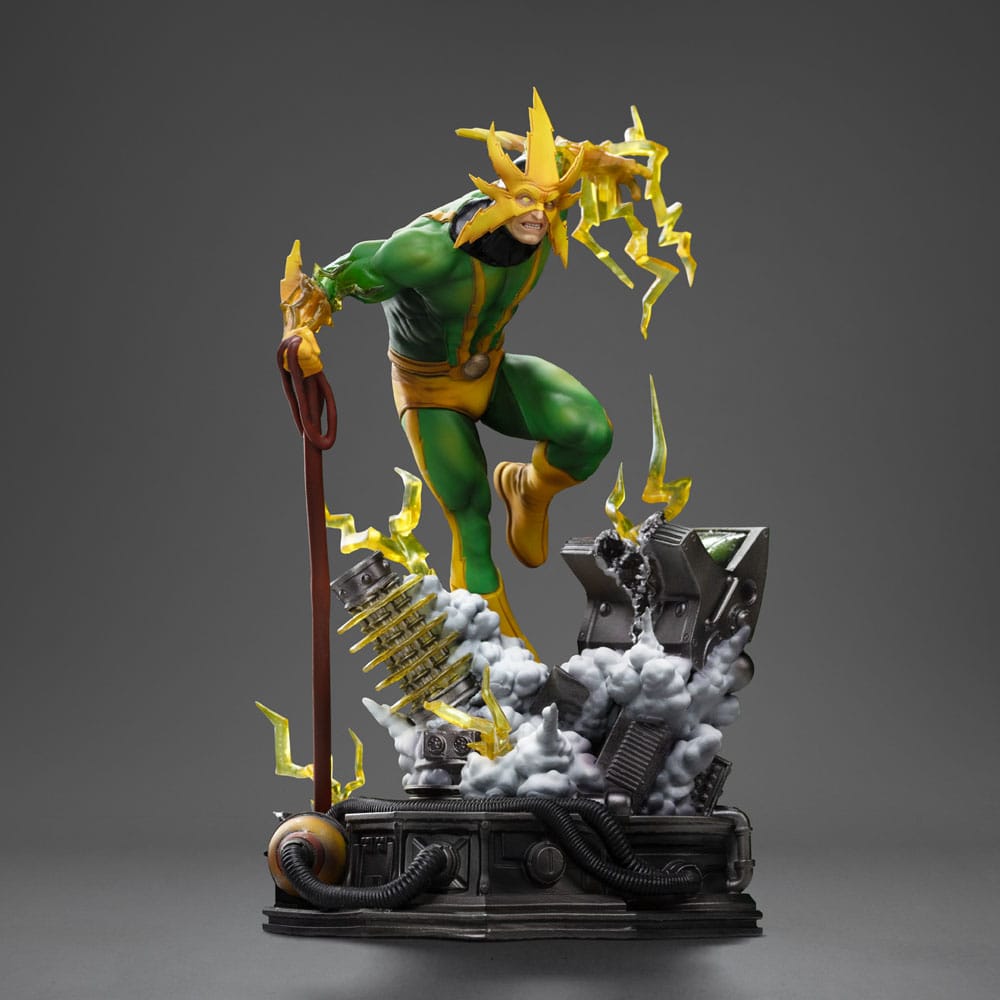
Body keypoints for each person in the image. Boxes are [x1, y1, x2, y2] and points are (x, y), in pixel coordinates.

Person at [286, 90, 693, 651]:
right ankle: (496, 664)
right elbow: (333, 279)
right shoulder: (424, 251)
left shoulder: (544, 206)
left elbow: (568, 157)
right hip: (431, 393)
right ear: (497, 193)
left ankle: (527, 489)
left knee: (588, 434)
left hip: (492, 371)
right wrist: (302, 332)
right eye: (526, 200)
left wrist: (606, 163)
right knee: (470, 518)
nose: (539, 214)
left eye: (549, 203)